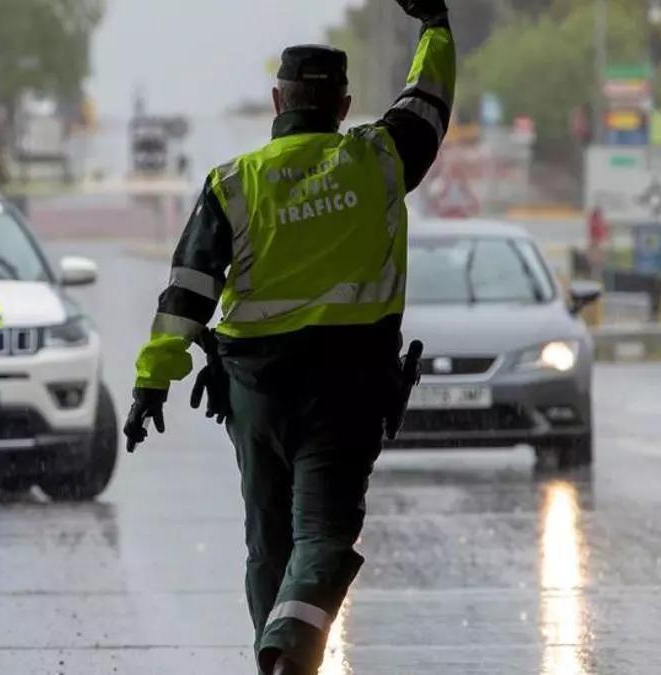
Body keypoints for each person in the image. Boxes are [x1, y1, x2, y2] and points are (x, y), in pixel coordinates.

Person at [121, 1, 456, 673]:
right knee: (323, 536)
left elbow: (186, 292)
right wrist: (436, 29)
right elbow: (427, 103)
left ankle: (274, 657)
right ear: (344, 105)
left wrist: (151, 382)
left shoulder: (233, 184)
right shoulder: (378, 159)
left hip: (256, 393)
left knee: (269, 543)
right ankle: (286, 655)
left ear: (278, 101)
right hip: (346, 388)